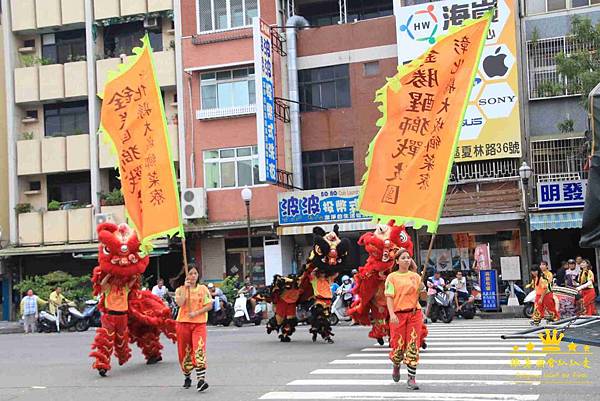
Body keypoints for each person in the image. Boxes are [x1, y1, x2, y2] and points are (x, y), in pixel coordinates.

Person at [385, 248, 425, 390]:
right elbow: (389, 297)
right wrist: (392, 314)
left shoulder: (416, 276)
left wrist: (423, 288)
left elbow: (424, 297)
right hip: (398, 315)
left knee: (413, 345)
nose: (407, 260)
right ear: (397, 261)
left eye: (408, 257)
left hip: (415, 313)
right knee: (398, 347)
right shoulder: (392, 277)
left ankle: (411, 379)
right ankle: (396, 365)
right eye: (403, 258)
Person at [175, 266, 213, 392]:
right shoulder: (180, 289)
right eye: (190, 273)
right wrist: (186, 289)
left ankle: (201, 379)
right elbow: (180, 303)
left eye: (195, 273)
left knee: (199, 349)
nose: (193, 276)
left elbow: (209, 305)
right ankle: (187, 375)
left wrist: (196, 313)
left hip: (199, 324)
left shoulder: (203, 289)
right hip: (183, 323)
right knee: (184, 353)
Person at [309, 269, 338, 343]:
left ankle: (325, 335)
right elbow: (311, 274)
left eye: (324, 272)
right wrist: (317, 267)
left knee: (326, 320)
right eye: (321, 272)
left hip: (328, 303)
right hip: (319, 302)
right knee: (320, 319)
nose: (322, 274)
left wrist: (336, 265)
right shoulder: (315, 280)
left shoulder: (328, 280)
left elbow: (336, 274)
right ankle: (326, 336)